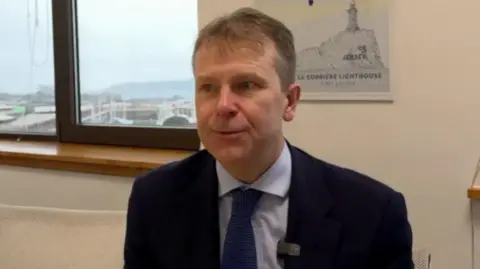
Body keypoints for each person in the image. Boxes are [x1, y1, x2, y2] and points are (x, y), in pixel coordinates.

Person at [123, 7, 414, 269]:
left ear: (289, 101)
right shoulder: (155, 198)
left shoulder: (372, 213)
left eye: (246, 85)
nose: (223, 105)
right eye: (208, 87)